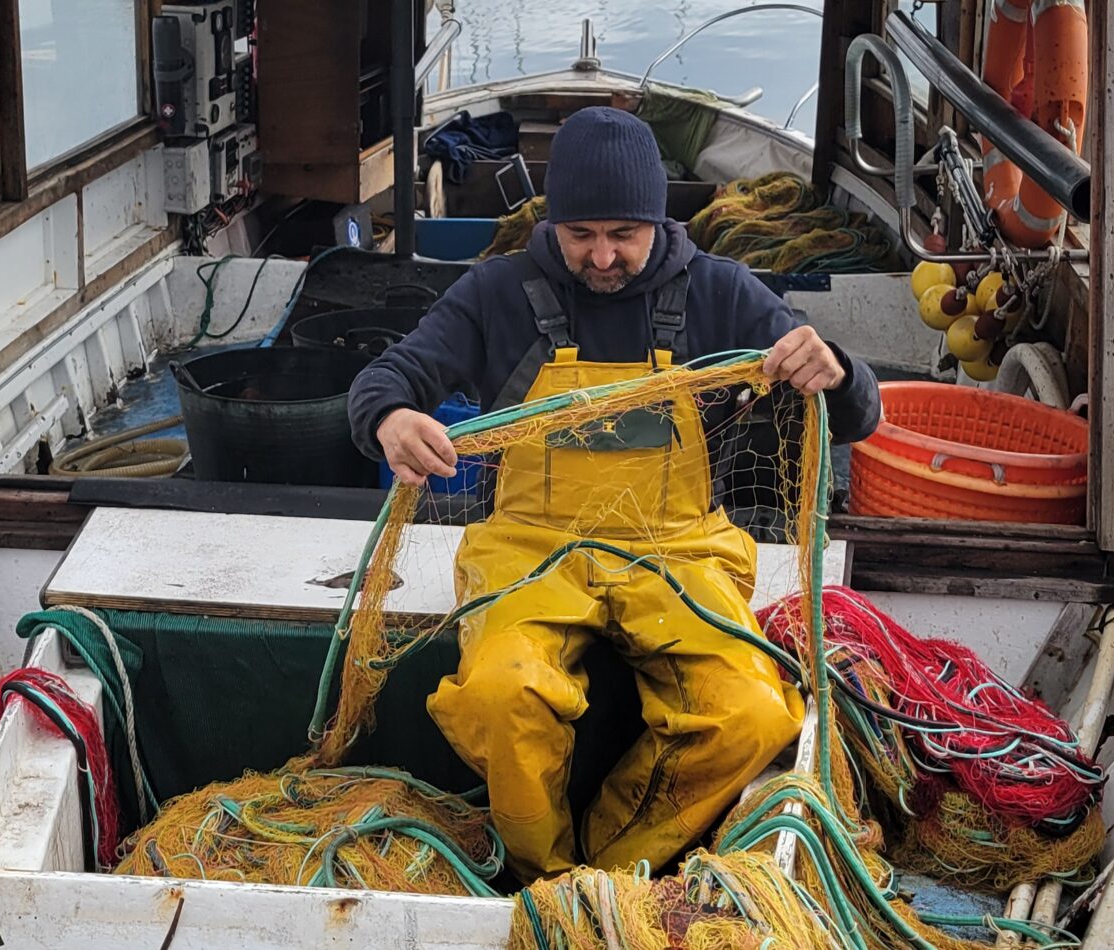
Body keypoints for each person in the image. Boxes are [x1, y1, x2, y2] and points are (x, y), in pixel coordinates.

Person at [348, 106, 881, 883]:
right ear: (553, 224)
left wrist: (832, 363)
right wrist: (391, 420)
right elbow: (386, 378)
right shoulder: (496, 292)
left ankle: (613, 871)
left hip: (679, 550)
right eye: (581, 235)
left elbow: (858, 411)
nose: (602, 257)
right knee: (501, 694)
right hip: (534, 547)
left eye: (623, 235)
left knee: (754, 713)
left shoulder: (724, 294)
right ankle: (543, 876)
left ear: (658, 221)